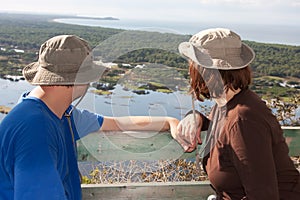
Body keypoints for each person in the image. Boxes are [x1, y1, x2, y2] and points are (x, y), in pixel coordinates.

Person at [0, 35, 181, 200]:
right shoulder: (36, 131)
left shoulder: (62, 115)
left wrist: (168, 122)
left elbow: (118, 123)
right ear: (78, 80)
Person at [177, 28, 300, 199]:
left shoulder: (244, 119)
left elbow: (263, 195)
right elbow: (222, 131)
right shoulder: (230, 103)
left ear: (204, 71)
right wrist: (195, 116)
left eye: (192, 64)